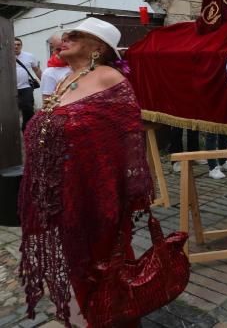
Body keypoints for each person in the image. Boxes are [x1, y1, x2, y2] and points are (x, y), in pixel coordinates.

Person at [18, 18, 153, 327]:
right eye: (64, 35)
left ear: (98, 47)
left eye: (75, 35)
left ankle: (117, 319)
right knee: (78, 262)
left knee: (106, 264)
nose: (64, 39)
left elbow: (128, 134)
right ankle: (95, 316)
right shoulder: (67, 78)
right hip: (66, 192)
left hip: (98, 192)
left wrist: (120, 186)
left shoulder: (109, 77)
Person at [14, 37, 41, 131]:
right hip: (10, 89)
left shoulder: (29, 56)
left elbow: (36, 70)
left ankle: (27, 130)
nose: (16, 46)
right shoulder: (4, 56)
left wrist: (44, 81)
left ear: (21, 46)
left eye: (18, 44)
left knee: (28, 109)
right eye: (14, 44)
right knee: (10, 112)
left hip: (26, 87)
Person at [40, 33, 71, 101]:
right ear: (53, 50)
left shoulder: (81, 66)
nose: (63, 52)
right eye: (59, 49)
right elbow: (47, 101)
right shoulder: (49, 72)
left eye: (66, 48)